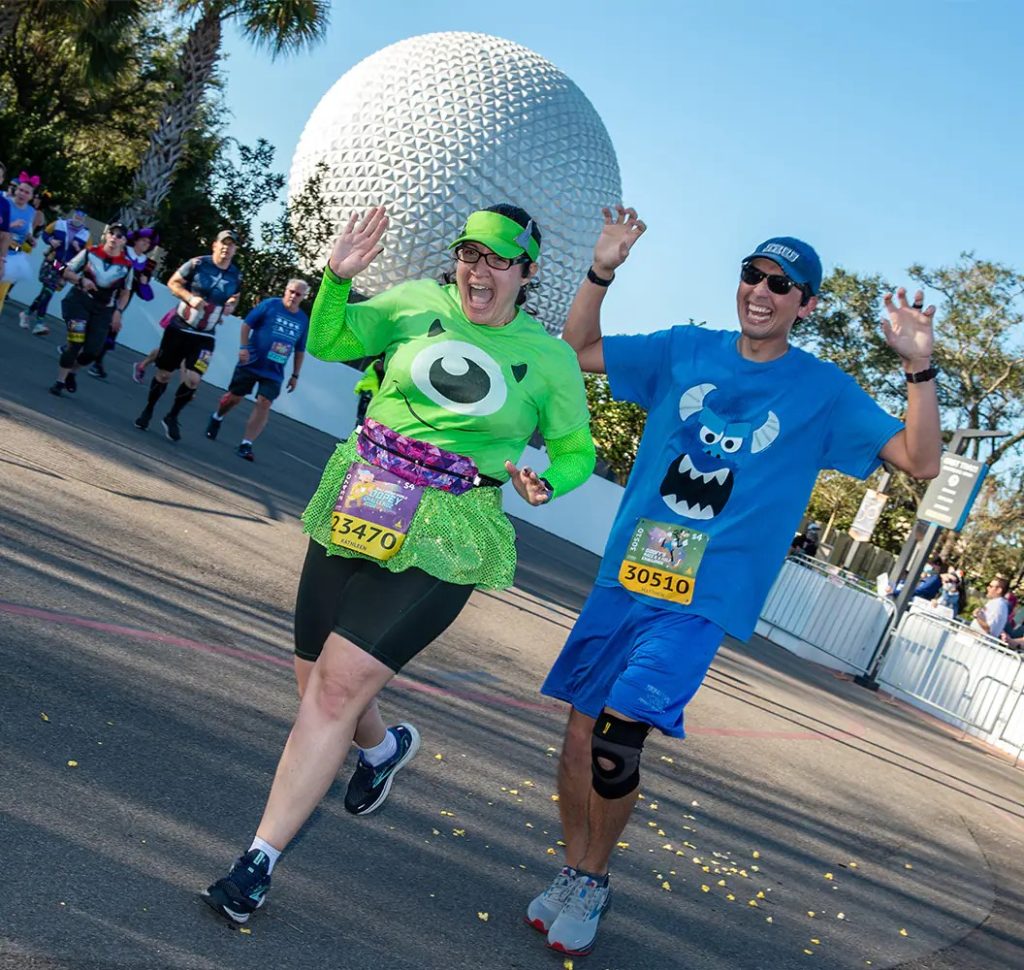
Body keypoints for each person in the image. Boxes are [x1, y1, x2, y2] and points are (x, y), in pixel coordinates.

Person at [526, 206, 942, 958]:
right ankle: (575, 869)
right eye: (753, 274)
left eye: (782, 285)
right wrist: (602, 270)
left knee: (620, 740)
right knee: (578, 740)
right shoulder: (684, 350)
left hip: (701, 600)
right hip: (623, 578)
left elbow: (918, 461)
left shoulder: (823, 392)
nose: (761, 290)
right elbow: (577, 349)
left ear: (804, 306)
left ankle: (590, 878)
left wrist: (918, 367)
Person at [202, 203, 597, 926]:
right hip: (365, 494)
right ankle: (381, 749)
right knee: (314, 676)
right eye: (469, 254)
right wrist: (335, 279)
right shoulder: (417, 303)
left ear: (527, 271)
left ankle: (255, 864)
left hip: (450, 527)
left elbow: (578, 451)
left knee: (334, 691)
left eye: (498, 259)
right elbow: (328, 340)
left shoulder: (549, 357)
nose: (479, 270)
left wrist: (550, 481)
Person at [133, 229, 242, 441]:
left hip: (206, 335)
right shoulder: (198, 264)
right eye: (223, 243)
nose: (226, 248)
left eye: (231, 245)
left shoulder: (235, 274)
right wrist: (190, 298)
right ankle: (149, 409)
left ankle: (172, 416)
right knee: (164, 374)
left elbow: (235, 296)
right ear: (214, 245)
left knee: (193, 379)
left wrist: (230, 305)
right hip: (180, 327)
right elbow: (173, 282)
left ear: (235, 249)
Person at [204, 278, 310, 460]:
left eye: (298, 294)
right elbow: (247, 325)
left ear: (303, 297)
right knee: (234, 398)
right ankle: (217, 416)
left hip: (274, 371)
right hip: (251, 362)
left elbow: (300, 349)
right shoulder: (270, 305)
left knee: (264, 403)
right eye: (291, 291)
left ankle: (246, 444)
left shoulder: (302, 319)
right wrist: (243, 348)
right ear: (285, 290)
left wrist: (295, 375)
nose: (293, 296)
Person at [48, 222, 134, 396]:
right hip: (80, 301)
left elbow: (125, 292)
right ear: (106, 235)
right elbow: (62, 267)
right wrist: (80, 280)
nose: (114, 238)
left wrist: (118, 311)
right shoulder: (90, 252)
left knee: (92, 351)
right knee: (75, 342)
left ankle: (73, 372)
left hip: (104, 309)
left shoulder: (126, 265)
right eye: (112, 233)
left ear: (124, 241)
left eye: (119, 236)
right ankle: (60, 381)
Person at [87, 226, 158, 379]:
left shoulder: (148, 264)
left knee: (112, 328)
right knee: (94, 321)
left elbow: (144, 290)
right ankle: (77, 348)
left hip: (124, 297)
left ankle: (97, 362)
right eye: (143, 241)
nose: (145, 244)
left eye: (148, 243)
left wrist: (144, 283)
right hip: (108, 290)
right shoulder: (124, 252)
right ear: (136, 241)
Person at [20, 205, 91, 336]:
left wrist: (78, 249)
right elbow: (45, 234)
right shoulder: (59, 223)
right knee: (49, 291)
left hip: (66, 267)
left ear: (84, 219)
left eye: (82, 216)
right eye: (77, 214)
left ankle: (27, 313)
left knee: (46, 292)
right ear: (73, 214)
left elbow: (87, 255)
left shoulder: (86, 234)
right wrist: (51, 241)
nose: (78, 218)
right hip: (52, 261)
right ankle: (39, 323)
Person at [0, 172, 39, 313]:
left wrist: (30, 238)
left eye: (27, 192)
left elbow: (26, 230)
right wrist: (11, 225)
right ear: (16, 190)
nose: (22, 194)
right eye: (20, 190)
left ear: (31, 196)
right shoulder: (5, 203)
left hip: (13, 256)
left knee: (1, 294)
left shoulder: (31, 211)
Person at [353, 356, 384, 425]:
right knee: (362, 416)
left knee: (364, 416)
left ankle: (358, 430)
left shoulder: (377, 372)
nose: (381, 367)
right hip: (368, 394)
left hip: (371, 395)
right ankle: (357, 431)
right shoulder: (374, 369)